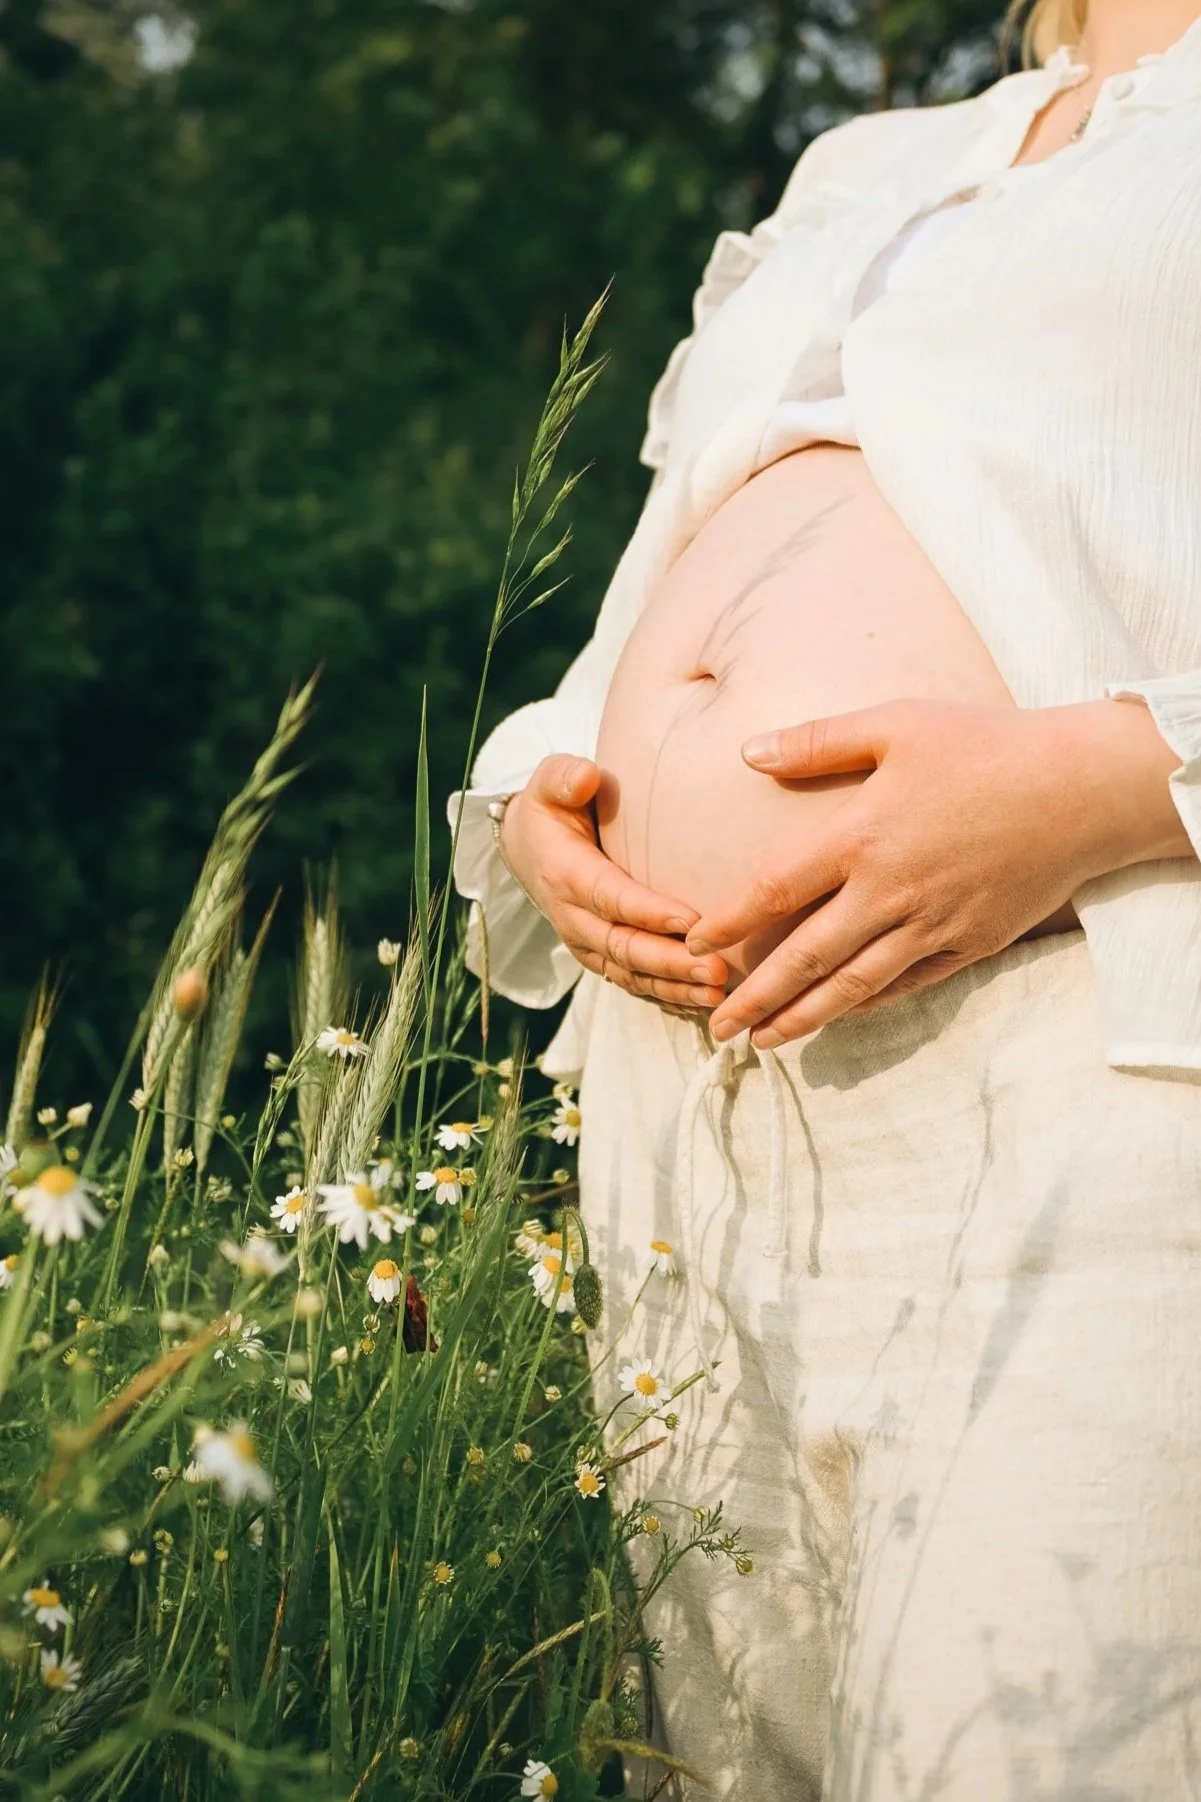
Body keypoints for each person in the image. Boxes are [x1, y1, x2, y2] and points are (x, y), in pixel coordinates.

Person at [447, 1, 1201, 1794]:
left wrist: (1101, 782)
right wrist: (541, 791)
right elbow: (659, 572)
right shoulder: (863, 167)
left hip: (1088, 1050)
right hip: (689, 1118)